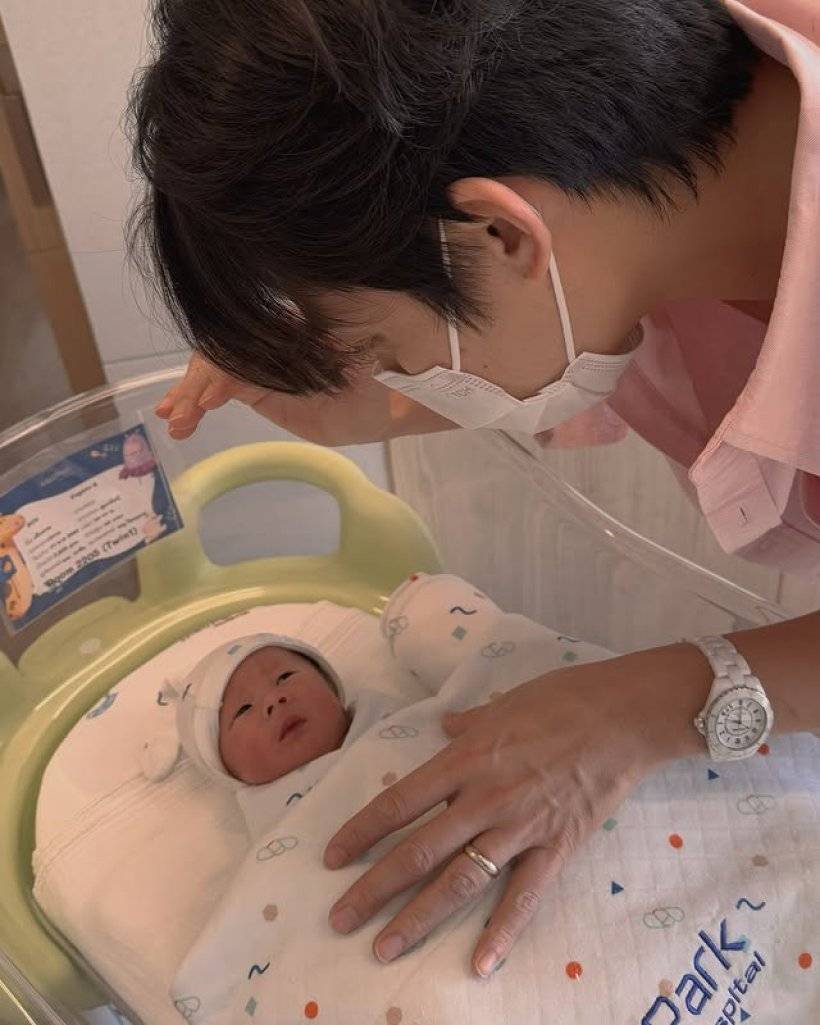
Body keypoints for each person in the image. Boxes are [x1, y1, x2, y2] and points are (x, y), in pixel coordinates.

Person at [129, 0, 820, 980]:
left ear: (498, 231)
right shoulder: (638, 158)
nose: (392, 380)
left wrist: (643, 705)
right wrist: (357, 398)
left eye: (379, 349)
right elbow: (565, 340)